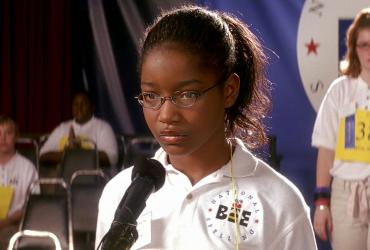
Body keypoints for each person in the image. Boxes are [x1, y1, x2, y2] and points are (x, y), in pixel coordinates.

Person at [96, 5, 317, 250]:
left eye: (187, 94)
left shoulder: (279, 203)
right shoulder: (119, 193)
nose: (166, 115)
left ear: (229, 91)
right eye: (151, 96)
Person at [312, 7, 370, 250]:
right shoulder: (339, 90)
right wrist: (321, 203)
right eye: (364, 44)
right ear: (354, 49)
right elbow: (326, 150)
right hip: (346, 195)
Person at [39, 90, 118, 170]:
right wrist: (68, 154)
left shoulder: (103, 128)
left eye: (83, 104)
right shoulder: (62, 128)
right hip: (63, 179)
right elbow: (42, 155)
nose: (79, 108)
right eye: (76, 104)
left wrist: (78, 152)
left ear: (92, 107)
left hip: (93, 179)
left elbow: (111, 157)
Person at [0, 116, 39, 249]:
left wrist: (8, 220)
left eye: (8, 133)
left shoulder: (27, 167)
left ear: (16, 136)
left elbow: (35, 205)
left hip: (16, 225)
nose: (2, 138)